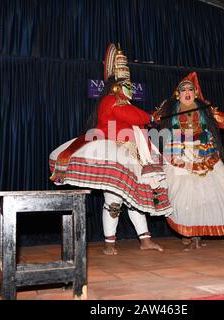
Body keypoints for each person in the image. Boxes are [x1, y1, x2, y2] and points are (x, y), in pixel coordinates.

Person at [49, 44, 172, 255]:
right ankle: (109, 243)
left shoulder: (123, 103)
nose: (131, 89)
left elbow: (136, 118)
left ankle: (145, 241)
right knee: (114, 201)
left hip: (134, 154)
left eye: (131, 86)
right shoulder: (110, 101)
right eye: (126, 85)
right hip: (115, 153)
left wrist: (152, 119)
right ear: (116, 86)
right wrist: (150, 117)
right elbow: (132, 116)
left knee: (135, 200)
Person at [153, 72, 224, 250]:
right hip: (178, 155)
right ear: (177, 94)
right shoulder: (168, 110)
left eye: (191, 89)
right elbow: (152, 119)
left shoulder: (204, 109)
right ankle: (190, 233)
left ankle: (197, 237)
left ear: (195, 93)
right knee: (183, 199)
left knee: (205, 198)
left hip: (205, 154)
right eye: (184, 90)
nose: (187, 92)